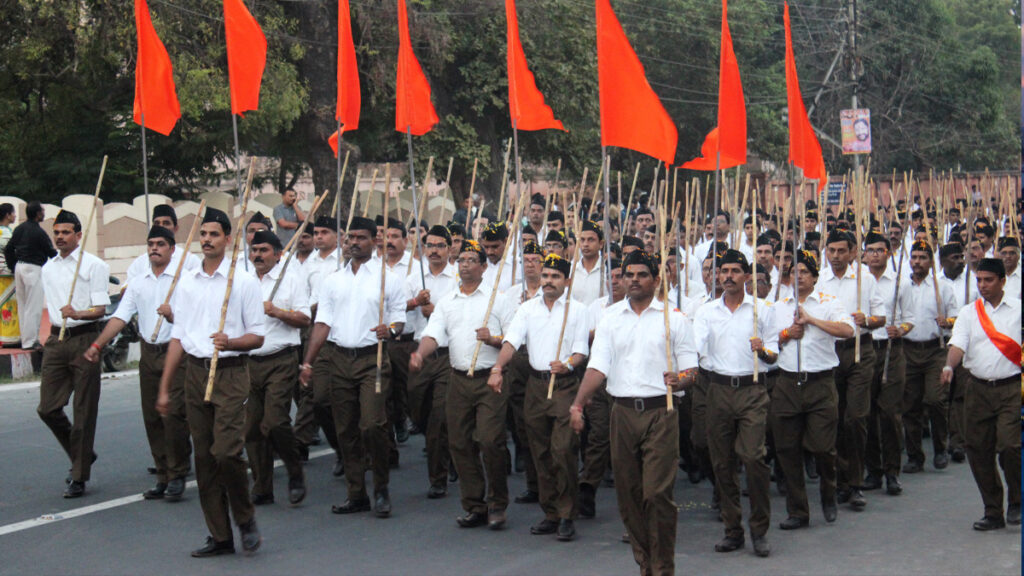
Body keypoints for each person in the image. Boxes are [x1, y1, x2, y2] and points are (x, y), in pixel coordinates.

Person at [570, 250, 697, 576]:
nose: (635, 280)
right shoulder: (610, 318)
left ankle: (663, 567)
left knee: (656, 494)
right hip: (623, 413)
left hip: (661, 412)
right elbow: (597, 368)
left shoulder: (674, 318)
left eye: (642, 275)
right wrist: (578, 403)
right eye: (629, 275)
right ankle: (646, 563)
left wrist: (680, 378)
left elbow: (691, 370)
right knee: (629, 496)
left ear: (656, 280)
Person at [156, 207, 266, 557]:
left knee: (226, 452)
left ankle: (245, 517)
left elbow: (258, 336)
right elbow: (179, 337)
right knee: (204, 458)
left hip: (231, 373)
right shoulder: (188, 281)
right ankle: (220, 535)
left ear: (228, 239)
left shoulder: (243, 282)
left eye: (214, 234)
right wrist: (165, 387)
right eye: (203, 234)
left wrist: (230, 342)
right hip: (195, 372)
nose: (206, 240)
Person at [299, 216, 405, 518]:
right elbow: (322, 323)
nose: (354, 243)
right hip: (338, 358)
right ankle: (356, 493)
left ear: (374, 241)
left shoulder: (388, 278)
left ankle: (381, 488)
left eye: (361, 237)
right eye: (351, 238)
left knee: (372, 425)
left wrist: (390, 329)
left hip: (373, 359)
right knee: (345, 429)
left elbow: (399, 319)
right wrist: (308, 361)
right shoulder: (333, 280)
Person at [410, 239, 515, 530]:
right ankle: (474, 504)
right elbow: (433, 334)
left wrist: (493, 339)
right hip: (458, 379)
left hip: (490, 379)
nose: (465, 264)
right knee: (459, 443)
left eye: (471, 260)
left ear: (483, 267)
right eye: (462, 260)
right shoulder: (447, 302)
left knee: (490, 441)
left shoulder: (498, 299)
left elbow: (513, 340)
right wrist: (420, 354)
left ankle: (497, 503)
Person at [84, 226, 190, 501]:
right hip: (149, 352)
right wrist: (97, 345)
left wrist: (173, 316)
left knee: (173, 415)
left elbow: (195, 320)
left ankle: (178, 473)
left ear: (172, 249)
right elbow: (120, 316)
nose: (154, 248)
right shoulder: (139, 282)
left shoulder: (184, 280)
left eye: (160, 244)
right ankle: (163, 475)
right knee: (152, 416)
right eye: (151, 243)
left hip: (176, 352)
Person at [489, 254, 589, 541]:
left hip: (564, 386)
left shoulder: (578, 310)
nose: (548, 281)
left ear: (567, 281)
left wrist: (567, 364)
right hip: (535, 386)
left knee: (563, 450)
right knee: (540, 452)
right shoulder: (527, 309)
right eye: (545, 276)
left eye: (555, 277)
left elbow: (581, 352)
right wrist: (497, 368)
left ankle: (567, 513)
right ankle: (551, 512)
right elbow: (511, 341)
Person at [693, 249, 778, 557]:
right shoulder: (706, 312)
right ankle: (732, 529)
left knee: (754, 458)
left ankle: (759, 529)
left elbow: (774, 355)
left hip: (752, 389)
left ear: (746, 276)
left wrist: (762, 350)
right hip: (717, 389)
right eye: (723, 271)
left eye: (734, 271)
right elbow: (695, 348)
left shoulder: (762, 310)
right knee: (722, 463)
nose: (728, 276)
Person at [770, 250, 855, 529]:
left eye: (804, 272)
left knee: (822, 447)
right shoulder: (779, 306)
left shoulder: (829, 302)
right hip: (787, 382)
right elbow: (768, 345)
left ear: (815, 277)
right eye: (794, 272)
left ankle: (829, 493)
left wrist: (812, 321)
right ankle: (798, 510)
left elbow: (848, 330)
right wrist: (786, 334)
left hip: (820, 383)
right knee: (787, 449)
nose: (799, 276)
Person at [941, 257, 1021, 531]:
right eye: (979, 280)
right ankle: (993, 511)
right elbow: (958, 344)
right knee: (978, 450)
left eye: (989, 280)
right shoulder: (969, 313)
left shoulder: (1018, 310)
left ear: (1002, 281)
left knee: (1010, 446)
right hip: (977, 388)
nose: (983, 285)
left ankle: (1017, 499)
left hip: (1011, 388)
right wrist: (949, 366)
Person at [37, 210, 110, 498]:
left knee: (83, 411)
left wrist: (78, 312)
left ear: (78, 235)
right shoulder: (48, 268)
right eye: (56, 232)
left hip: (85, 338)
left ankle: (79, 475)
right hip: (57, 340)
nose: (60, 237)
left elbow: (100, 309)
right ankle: (83, 454)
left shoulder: (94, 265)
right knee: (47, 408)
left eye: (66, 232)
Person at [816, 230, 886, 510]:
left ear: (854, 252)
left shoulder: (865, 279)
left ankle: (855, 483)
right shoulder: (819, 280)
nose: (835, 256)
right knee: (834, 418)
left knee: (855, 418)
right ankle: (840, 481)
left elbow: (881, 318)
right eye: (831, 250)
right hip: (828, 353)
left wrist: (866, 320)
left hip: (860, 351)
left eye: (841, 251)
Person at [245, 230, 310, 506]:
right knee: (251, 428)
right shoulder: (244, 282)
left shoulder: (291, 280)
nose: (258, 255)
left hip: (281, 359)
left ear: (278, 254)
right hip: (249, 361)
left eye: (264, 250)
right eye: (254, 250)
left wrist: (277, 312)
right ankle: (263, 487)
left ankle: (294, 470)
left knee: (274, 422)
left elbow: (305, 318)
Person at [404, 225, 458, 499]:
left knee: (440, 416)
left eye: (440, 246)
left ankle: (438, 477)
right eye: (430, 245)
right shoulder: (415, 276)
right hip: (420, 353)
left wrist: (437, 311)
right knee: (417, 408)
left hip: (448, 355)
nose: (434, 251)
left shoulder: (458, 278)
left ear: (449, 248)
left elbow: (464, 314)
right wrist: (415, 302)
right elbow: (393, 307)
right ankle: (446, 448)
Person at [861, 232, 915, 495]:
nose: (874, 254)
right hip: (865, 349)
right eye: (870, 250)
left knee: (890, 412)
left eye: (879, 250)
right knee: (867, 412)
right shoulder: (858, 281)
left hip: (891, 351)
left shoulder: (900, 282)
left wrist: (901, 329)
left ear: (888, 253)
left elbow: (910, 318)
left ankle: (892, 471)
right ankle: (873, 470)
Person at [902, 241, 958, 473]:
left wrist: (948, 322)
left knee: (936, 400)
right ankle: (915, 456)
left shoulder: (942, 287)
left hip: (936, 349)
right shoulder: (902, 286)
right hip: (908, 349)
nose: (917, 262)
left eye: (922, 257)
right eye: (914, 257)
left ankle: (941, 448)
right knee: (910, 405)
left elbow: (957, 317)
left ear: (931, 261)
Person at [294, 217, 342, 474]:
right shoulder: (307, 264)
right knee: (312, 392)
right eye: (317, 232)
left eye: (325, 232)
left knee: (342, 395)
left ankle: (352, 445)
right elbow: (301, 295)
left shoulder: (345, 260)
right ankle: (301, 442)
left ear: (338, 235)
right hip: (315, 329)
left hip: (342, 331)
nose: (319, 237)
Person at [577, 257, 624, 517]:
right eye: (611, 277)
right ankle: (587, 487)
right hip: (601, 379)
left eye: (619, 277)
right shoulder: (596, 307)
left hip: (627, 381)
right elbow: (582, 339)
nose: (614, 282)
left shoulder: (636, 307)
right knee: (599, 434)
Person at [501, 242, 546, 505]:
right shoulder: (511, 294)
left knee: (543, 425)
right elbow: (507, 330)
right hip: (519, 357)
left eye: (535, 259)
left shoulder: (551, 291)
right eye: (526, 260)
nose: (530, 264)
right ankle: (533, 484)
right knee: (523, 423)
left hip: (543, 359)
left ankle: (550, 482)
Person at [5, 201, 56, 349]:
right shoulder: (39, 232)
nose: (44, 213)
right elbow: (51, 252)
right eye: (42, 211)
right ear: (38, 214)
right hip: (33, 268)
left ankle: (24, 338)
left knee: (22, 306)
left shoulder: (19, 229)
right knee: (33, 306)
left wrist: (13, 266)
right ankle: (30, 341)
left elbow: (8, 249)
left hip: (19, 267)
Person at [125, 205, 200, 283]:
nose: (161, 227)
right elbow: (128, 288)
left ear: (176, 228)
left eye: (166, 223)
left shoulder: (189, 260)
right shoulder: (139, 264)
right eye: (157, 223)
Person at [571, 220, 605, 306]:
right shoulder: (571, 270)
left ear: (601, 244)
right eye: (582, 240)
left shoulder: (607, 270)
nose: (585, 244)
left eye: (591, 240)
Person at [480, 222, 514, 292]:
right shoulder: (477, 264)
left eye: (494, 247)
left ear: (506, 241)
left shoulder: (518, 266)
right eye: (486, 247)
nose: (489, 252)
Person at [0, 203, 16, 274]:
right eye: (13, 212)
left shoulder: (8, 230)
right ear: (8, 215)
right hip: (4, 268)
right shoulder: (5, 232)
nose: (15, 215)